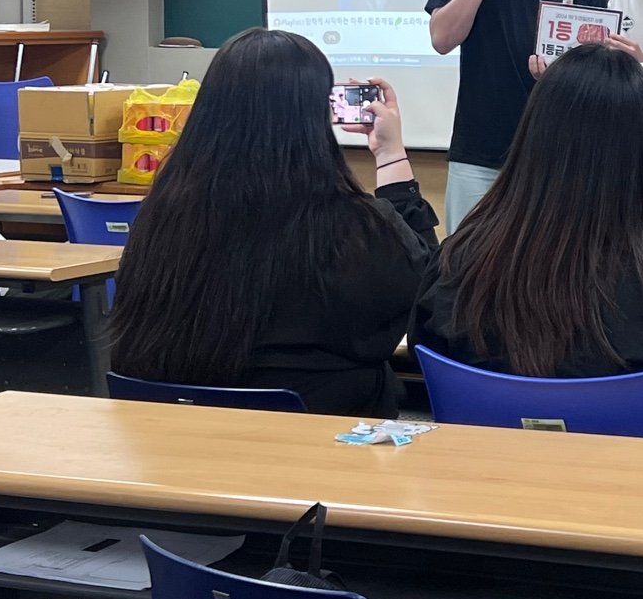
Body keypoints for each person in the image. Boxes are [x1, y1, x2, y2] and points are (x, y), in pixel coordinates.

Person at [110, 28, 438, 417]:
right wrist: (389, 154)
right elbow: (425, 291)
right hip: (316, 435)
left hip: (169, 429)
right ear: (313, 118)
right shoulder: (350, 226)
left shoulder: (163, 213)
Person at [410, 44, 643, 428]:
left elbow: (429, 366)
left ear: (532, 136)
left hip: (488, 464)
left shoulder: (457, 261)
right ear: (639, 154)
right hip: (627, 467)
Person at [426, 0, 608, 230]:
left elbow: (594, 76)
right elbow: (442, 39)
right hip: (478, 153)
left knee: (548, 262)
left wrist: (560, 77)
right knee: (465, 259)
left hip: (554, 158)